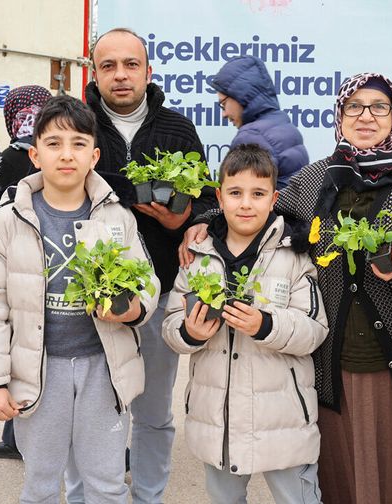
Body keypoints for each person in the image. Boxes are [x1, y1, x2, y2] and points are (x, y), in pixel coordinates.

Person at [182, 73, 392, 503]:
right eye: (354, 107)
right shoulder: (315, 179)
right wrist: (203, 220)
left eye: (378, 106)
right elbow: (256, 210)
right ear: (339, 117)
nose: (366, 116)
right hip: (339, 363)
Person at [0, 94, 161, 503]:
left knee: (106, 484)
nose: (66, 154)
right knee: (40, 484)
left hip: (102, 371)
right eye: (54, 144)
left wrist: (132, 309)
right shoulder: (8, 221)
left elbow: (147, 281)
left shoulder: (115, 216)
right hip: (39, 373)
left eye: (77, 144)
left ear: (93, 155)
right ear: (35, 155)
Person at [86, 27, 218, 503]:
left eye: (130, 64)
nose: (120, 76)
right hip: (92, 299)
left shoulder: (177, 129)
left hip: (160, 293)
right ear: (94, 72)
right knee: (96, 410)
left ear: (147, 70)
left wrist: (188, 219)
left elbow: (207, 202)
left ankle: (148, 496)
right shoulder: (78, 125)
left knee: (155, 412)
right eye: (108, 66)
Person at [162, 144, 328, 503]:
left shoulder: (294, 255)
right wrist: (189, 333)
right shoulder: (198, 256)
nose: (246, 204)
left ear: (274, 199)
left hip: (283, 420)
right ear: (219, 197)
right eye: (235, 193)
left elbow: (314, 329)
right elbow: (171, 324)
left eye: (258, 194)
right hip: (217, 420)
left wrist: (266, 325)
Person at [0, 84, 53, 461]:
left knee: (21, 351)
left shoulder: (6, 158)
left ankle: (21, 438)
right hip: (56, 266)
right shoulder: (56, 149)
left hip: (16, 269)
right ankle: (17, 437)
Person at [212, 55, 309, 189]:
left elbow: (241, 198)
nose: (224, 114)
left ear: (241, 95)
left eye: (224, 104)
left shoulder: (251, 136)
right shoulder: (283, 124)